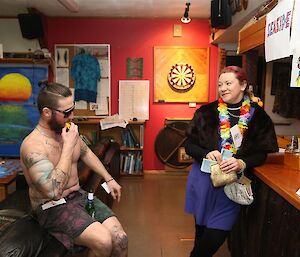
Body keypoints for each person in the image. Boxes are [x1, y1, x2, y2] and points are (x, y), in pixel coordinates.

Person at [20, 82, 128, 257]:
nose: (72, 116)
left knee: (120, 239)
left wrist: (109, 178)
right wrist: (68, 146)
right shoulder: (33, 146)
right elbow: (53, 191)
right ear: (47, 112)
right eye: (67, 113)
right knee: (104, 241)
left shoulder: (65, 129)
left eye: (73, 109)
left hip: (77, 196)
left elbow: (86, 153)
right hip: (51, 207)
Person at [184, 66, 278, 257]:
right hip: (203, 181)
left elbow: (261, 154)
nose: (223, 88)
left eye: (228, 83)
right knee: (201, 231)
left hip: (233, 187)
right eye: (220, 84)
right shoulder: (205, 113)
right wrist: (206, 152)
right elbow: (189, 145)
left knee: (216, 234)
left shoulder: (258, 116)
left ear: (243, 85)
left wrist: (242, 163)